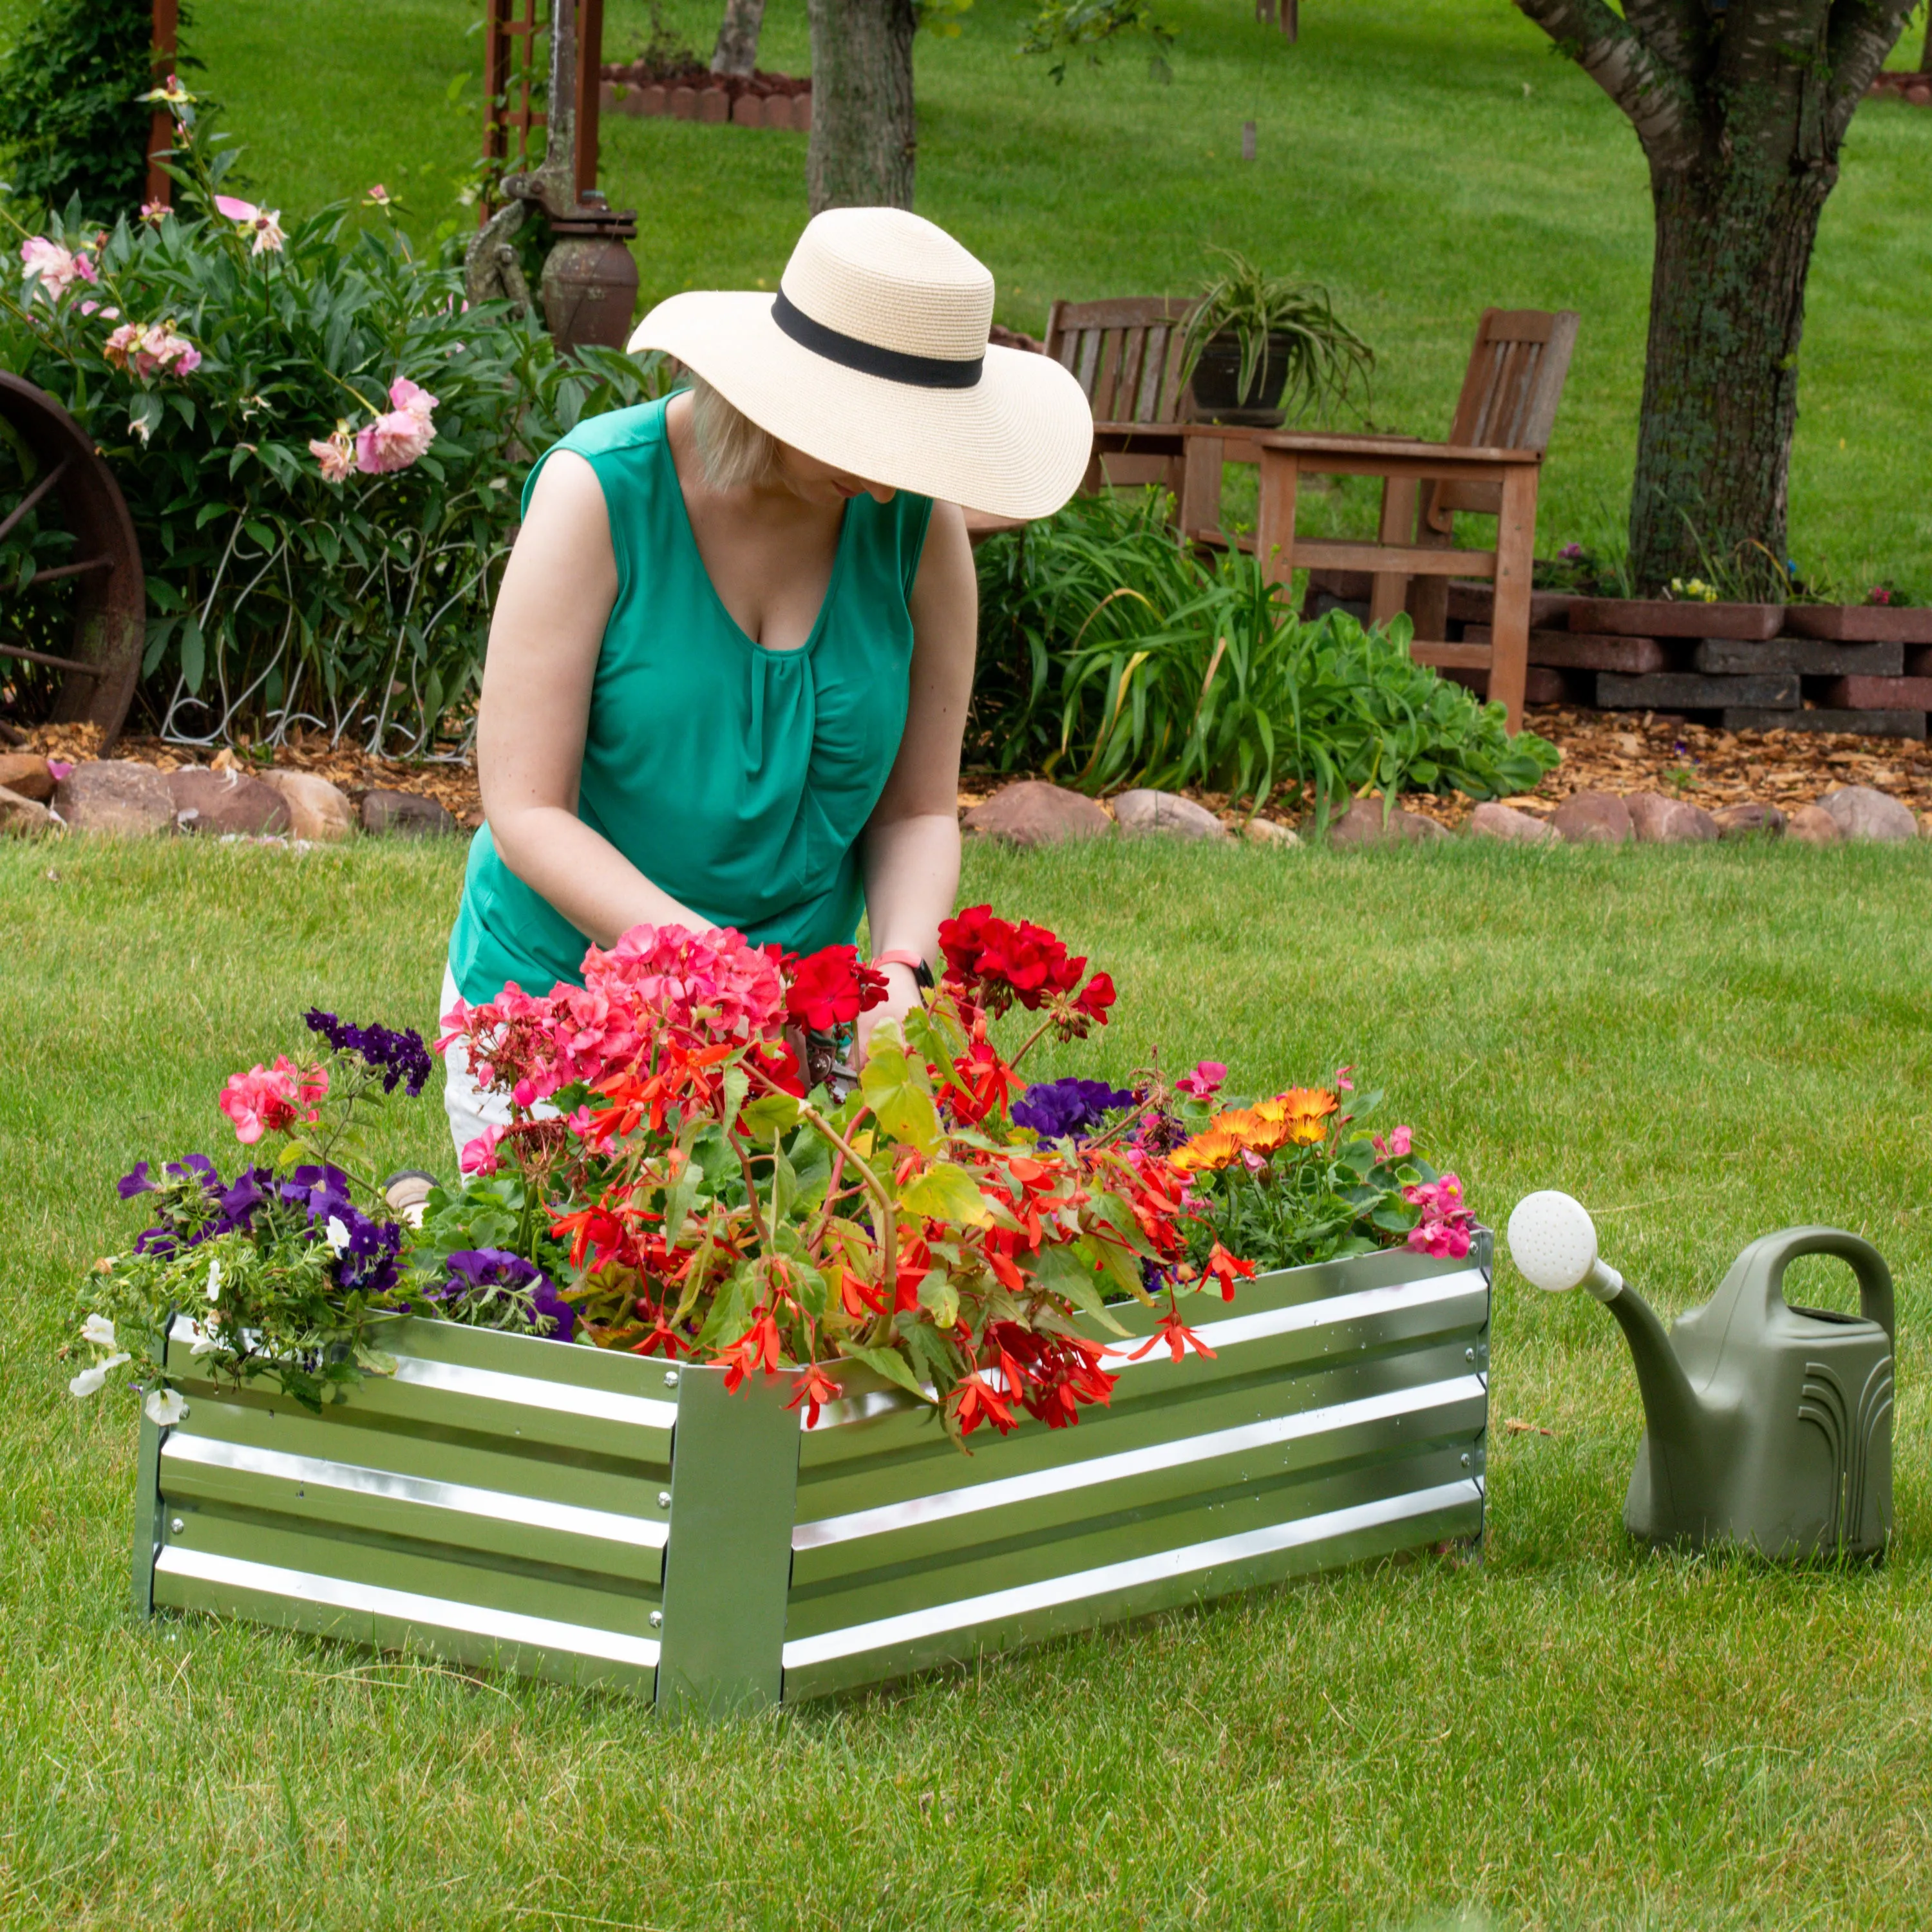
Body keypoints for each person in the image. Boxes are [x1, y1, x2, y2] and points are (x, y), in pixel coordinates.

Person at [439, 205, 1093, 1157]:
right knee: (569, 1290)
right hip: (566, 1005)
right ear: (788, 393)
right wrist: (713, 972)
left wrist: (896, 974)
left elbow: (915, 812)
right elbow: (527, 810)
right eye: (872, 441)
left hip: (805, 1025)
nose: (886, 487)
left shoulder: (919, 525)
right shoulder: (601, 495)